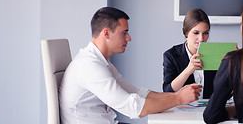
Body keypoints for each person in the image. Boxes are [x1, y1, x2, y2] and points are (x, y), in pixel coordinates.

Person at [59, 7, 201, 124]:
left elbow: (137, 93)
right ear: (106, 33)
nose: (129, 38)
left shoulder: (101, 62)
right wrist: (179, 98)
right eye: (124, 33)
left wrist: (176, 95)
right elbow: (133, 108)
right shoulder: (89, 66)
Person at [163, 8, 216, 99]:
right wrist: (189, 70)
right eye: (196, 33)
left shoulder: (215, 54)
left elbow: (224, 91)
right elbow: (167, 91)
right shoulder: (171, 55)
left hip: (209, 110)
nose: (201, 39)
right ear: (186, 33)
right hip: (182, 110)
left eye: (205, 33)